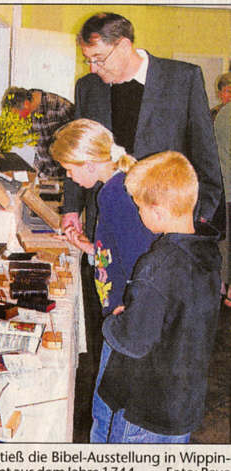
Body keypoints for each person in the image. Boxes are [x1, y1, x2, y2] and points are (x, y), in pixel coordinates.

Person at [61, 12, 225, 442]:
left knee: (158, 353)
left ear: (124, 44)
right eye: (87, 60)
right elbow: (80, 151)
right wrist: (72, 206)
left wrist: (187, 234)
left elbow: (207, 167)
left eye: (98, 59)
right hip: (111, 232)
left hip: (165, 234)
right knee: (116, 343)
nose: (92, 69)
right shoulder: (88, 87)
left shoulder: (182, 78)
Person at [94, 151, 221, 443]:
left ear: (158, 213)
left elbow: (134, 341)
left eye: (139, 207)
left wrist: (113, 322)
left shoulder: (157, 264)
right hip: (183, 406)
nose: (138, 214)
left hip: (146, 408)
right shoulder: (208, 252)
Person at [50, 118, 157, 441]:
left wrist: (130, 311)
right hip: (122, 314)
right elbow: (117, 251)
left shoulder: (114, 194)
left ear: (90, 161)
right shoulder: (115, 185)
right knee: (104, 404)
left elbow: (142, 259)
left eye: (69, 168)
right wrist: (86, 246)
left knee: (107, 411)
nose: (68, 176)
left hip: (125, 318)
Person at [1, 87, 74, 178]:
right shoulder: (27, 110)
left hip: (65, 176)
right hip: (44, 175)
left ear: (26, 104)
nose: (18, 119)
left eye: (17, 115)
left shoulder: (60, 107)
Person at [214, 102, 231, 307]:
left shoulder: (224, 112)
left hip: (223, 188)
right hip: (227, 187)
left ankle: (220, 288)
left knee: (224, 243)